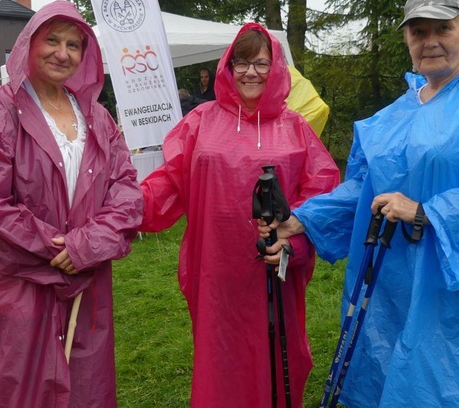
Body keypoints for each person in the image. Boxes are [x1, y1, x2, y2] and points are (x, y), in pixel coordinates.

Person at [260, 0, 459, 407]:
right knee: (399, 376)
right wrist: (304, 220)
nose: (431, 41)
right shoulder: (397, 113)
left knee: (456, 386)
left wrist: (428, 212)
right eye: (419, 32)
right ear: (407, 40)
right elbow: (365, 190)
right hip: (396, 283)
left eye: (444, 28)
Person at [139, 23, 340, 407]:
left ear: (276, 67)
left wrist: (293, 243)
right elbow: (169, 180)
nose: (251, 72)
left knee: (274, 356)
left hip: (273, 269)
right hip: (216, 271)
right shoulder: (201, 121)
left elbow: (322, 192)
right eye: (242, 62)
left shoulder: (294, 126)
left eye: (261, 63)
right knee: (222, 357)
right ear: (227, 68)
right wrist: (127, 206)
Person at [0, 1, 143, 407]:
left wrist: (87, 246)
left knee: (86, 388)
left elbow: (126, 188)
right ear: (29, 44)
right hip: (20, 287)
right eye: (52, 40)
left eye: (74, 44)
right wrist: (58, 250)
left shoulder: (96, 117)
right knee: (22, 389)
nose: (63, 53)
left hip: (87, 286)